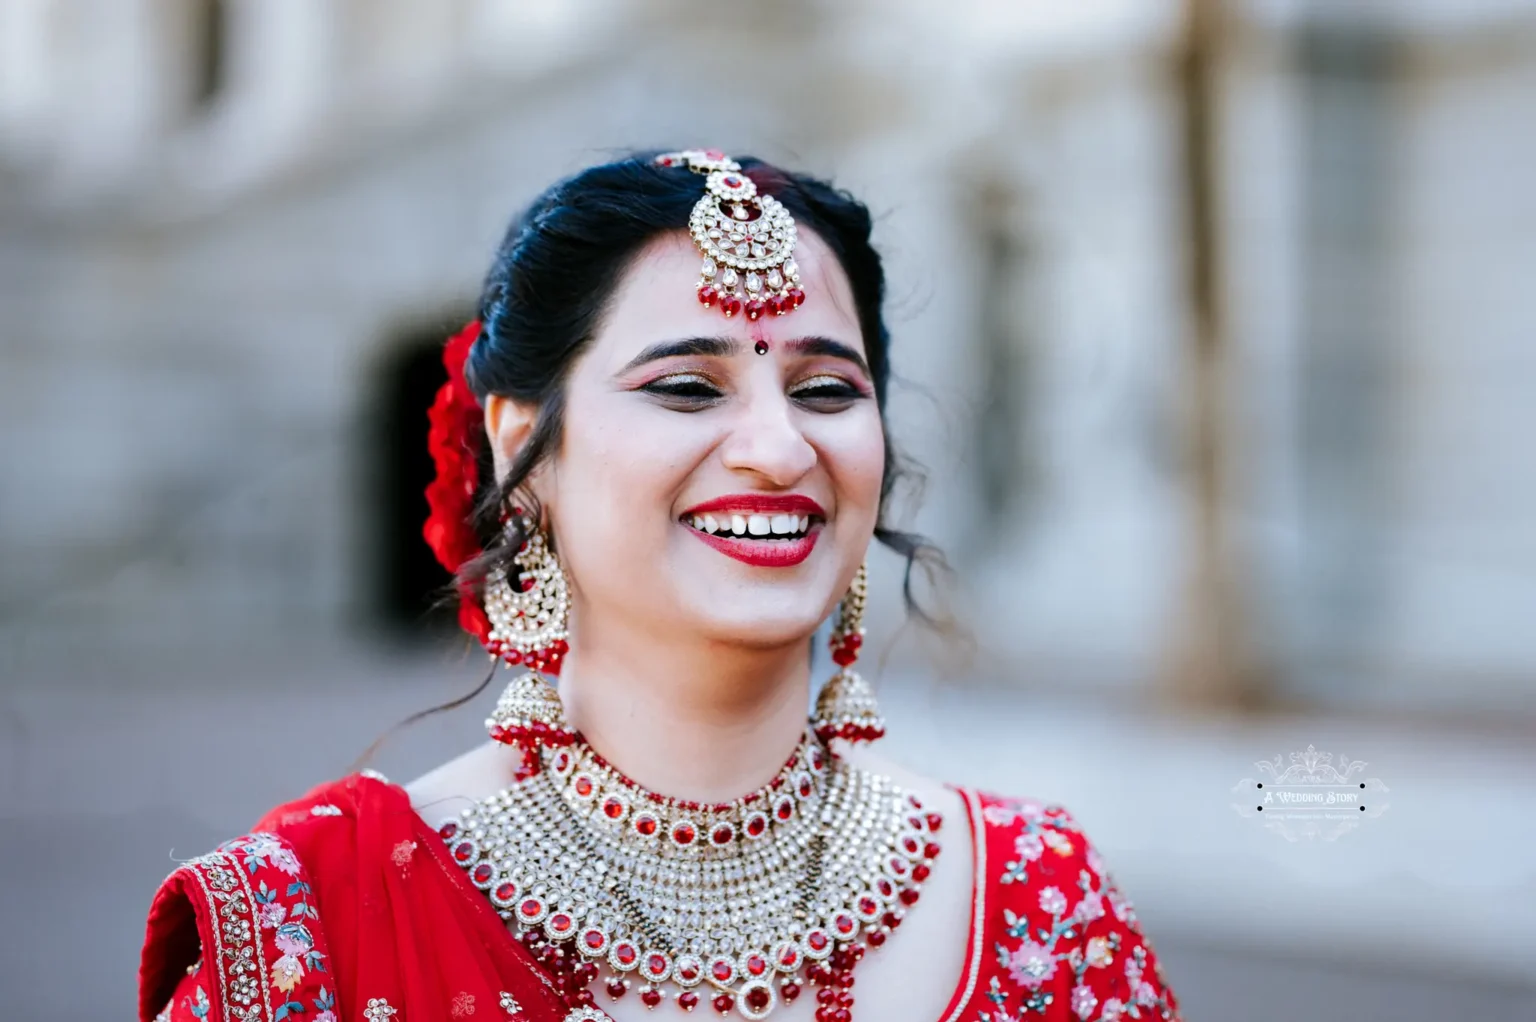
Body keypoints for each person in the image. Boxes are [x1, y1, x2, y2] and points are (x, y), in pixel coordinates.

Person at [138, 151, 1184, 1022]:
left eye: (827, 390)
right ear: (522, 450)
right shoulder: (319, 921)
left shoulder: (1041, 902)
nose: (779, 448)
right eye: (687, 386)